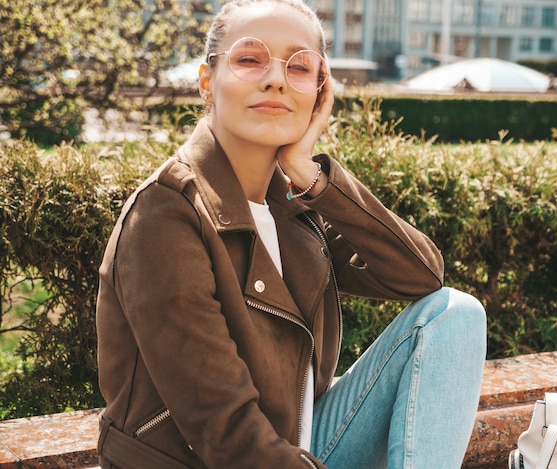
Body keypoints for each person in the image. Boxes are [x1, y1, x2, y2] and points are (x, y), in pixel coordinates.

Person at [95, 0, 486, 468]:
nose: (276, 78)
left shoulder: (291, 207)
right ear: (207, 83)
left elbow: (421, 276)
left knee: (455, 314)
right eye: (249, 59)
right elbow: (224, 429)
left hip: (303, 443)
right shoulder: (166, 213)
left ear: (320, 94)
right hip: (213, 461)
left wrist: (313, 177)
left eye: (299, 66)